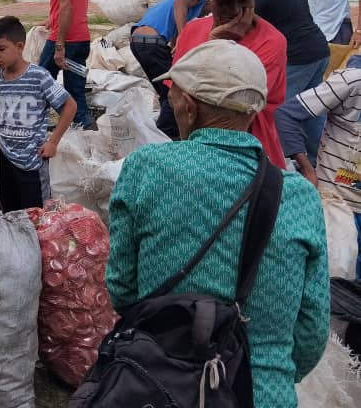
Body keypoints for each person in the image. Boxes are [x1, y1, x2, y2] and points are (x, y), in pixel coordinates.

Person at [107, 40, 329, 407]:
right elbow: (311, 329)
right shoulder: (299, 196)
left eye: (174, 94)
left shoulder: (146, 168)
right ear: (255, 111)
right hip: (263, 393)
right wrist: (267, 373)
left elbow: (122, 290)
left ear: (190, 107)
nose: (172, 102)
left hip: (161, 386)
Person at [165, 0, 287, 168]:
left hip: (249, 154)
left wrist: (219, 44)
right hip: (197, 150)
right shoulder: (192, 31)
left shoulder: (272, 42)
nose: (234, 9)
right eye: (224, 2)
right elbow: (175, 95)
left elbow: (238, 108)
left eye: (243, 1)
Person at [228, 0, 330, 163]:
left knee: (278, 112)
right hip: (318, 50)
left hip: (297, 57)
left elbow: (241, 24)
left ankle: (280, 164)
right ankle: (318, 162)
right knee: (312, 111)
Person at [276, 66, 361, 280]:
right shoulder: (352, 81)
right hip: (339, 207)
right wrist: (306, 169)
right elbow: (287, 114)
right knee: (335, 285)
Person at [0, 16, 76, 212]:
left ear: (19, 46)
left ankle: (37, 243)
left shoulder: (39, 76)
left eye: (1, 49)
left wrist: (52, 142)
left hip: (33, 160)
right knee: (11, 211)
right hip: (7, 158)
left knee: (37, 213)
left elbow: (69, 106)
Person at [36, 0, 92, 129]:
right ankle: (84, 125)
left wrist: (59, 45)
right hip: (82, 40)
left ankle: (41, 125)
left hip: (64, 41)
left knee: (39, 83)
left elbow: (67, 6)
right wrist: (51, 19)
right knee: (76, 89)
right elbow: (75, 3)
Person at [128, 0, 208, 106]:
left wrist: (177, 47)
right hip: (151, 42)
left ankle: (166, 121)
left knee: (165, 90)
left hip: (139, 42)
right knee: (174, 93)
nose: (209, 13)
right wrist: (183, 37)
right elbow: (179, 4)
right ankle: (167, 124)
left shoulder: (188, 11)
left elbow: (177, 28)